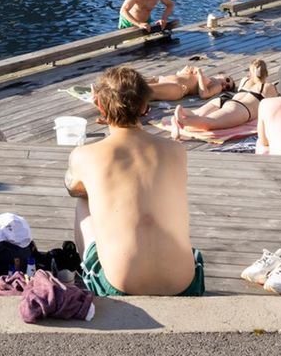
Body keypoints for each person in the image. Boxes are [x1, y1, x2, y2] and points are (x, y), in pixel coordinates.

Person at [65, 65, 201, 296]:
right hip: (185, 285)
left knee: (83, 202)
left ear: (99, 104)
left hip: (119, 287)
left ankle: (88, 276)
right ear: (145, 106)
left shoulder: (84, 155)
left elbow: (73, 188)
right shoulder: (177, 150)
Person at [172, 59, 276, 140]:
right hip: (240, 109)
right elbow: (274, 105)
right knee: (209, 122)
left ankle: (179, 115)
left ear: (250, 72)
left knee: (196, 113)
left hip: (224, 99)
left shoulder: (245, 80)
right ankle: (182, 121)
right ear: (266, 73)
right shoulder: (268, 87)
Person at [144, 65, 235, 103]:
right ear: (221, 74)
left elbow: (204, 94)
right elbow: (182, 77)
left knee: (142, 90)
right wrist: (185, 71)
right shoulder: (208, 78)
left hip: (177, 88)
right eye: (227, 80)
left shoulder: (217, 86)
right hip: (165, 79)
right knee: (135, 81)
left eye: (227, 87)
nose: (225, 84)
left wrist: (199, 75)